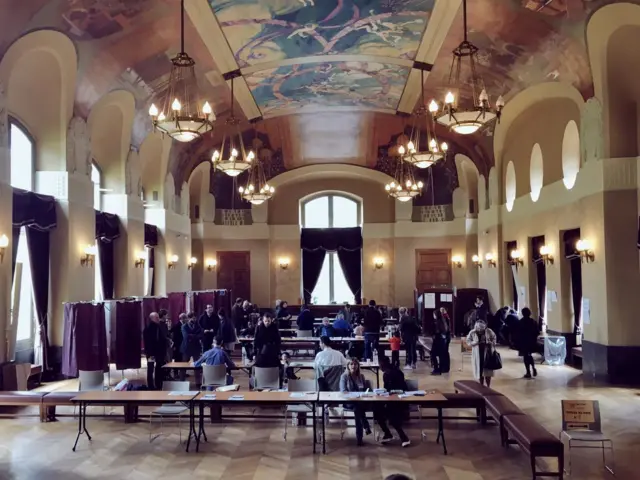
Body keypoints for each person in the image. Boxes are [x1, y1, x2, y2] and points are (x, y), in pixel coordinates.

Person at [375, 355, 411, 447]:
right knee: (377, 411)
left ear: (385, 365)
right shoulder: (388, 373)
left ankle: (403, 437)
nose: (380, 367)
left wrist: (390, 392)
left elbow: (402, 388)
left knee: (390, 414)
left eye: (381, 365)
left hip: (400, 400)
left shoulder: (394, 373)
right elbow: (387, 388)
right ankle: (388, 433)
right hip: (390, 399)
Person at [339, 358, 371, 446]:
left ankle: (360, 435)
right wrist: (353, 395)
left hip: (361, 401)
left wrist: (365, 393)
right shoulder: (344, 376)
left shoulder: (361, 376)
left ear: (358, 366)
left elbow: (365, 390)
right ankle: (363, 432)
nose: (353, 366)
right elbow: (343, 391)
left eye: (355, 364)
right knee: (358, 409)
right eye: (351, 364)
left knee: (358, 409)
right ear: (348, 366)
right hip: (349, 402)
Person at [143, 312, 170, 390]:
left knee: (159, 368)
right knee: (150, 369)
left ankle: (158, 384)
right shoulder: (148, 328)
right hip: (151, 353)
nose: (158, 319)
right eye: (156, 318)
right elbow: (148, 342)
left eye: (158, 317)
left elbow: (162, 338)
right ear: (152, 318)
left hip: (159, 353)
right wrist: (150, 353)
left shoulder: (159, 326)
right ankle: (151, 386)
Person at [466, 320, 497, 387]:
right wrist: (475, 343)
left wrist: (490, 343)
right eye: (479, 330)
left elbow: (494, 338)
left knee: (488, 371)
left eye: (482, 330)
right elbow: (468, 341)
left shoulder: (489, 331)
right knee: (479, 371)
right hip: (478, 353)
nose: (480, 331)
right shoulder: (472, 332)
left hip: (487, 353)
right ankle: (481, 386)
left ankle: (488, 386)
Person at [518, 307, 540, 378]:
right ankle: (533, 367)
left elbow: (518, 333)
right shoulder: (533, 321)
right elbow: (537, 332)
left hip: (524, 342)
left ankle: (528, 372)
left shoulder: (521, 322)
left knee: (525, 356)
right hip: (532, 341)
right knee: (529, 355)